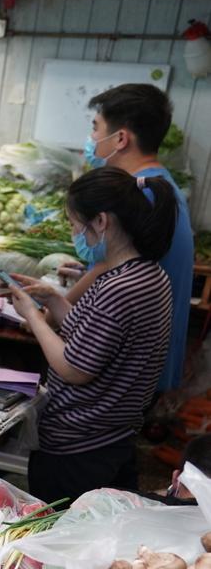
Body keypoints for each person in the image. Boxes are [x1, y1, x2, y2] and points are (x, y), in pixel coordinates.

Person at [7, 168, 176, 504]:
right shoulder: (149, 275)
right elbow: (97, 340)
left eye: (74, 225)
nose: (74, 234)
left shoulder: (118, 287)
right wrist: (53, 299)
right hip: (114, 439)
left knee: (67, 538)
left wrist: (31, 316)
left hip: (80, 448)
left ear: (100, 222)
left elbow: (75, 367)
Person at [61, 84, 194, 394]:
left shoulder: (139, 193)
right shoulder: (160, 185)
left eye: (96, 128)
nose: (92, 139)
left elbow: (109, 264)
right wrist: (84, 275)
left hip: (130, 370)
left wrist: (43, 312)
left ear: (120, 138)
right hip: (145, 357)